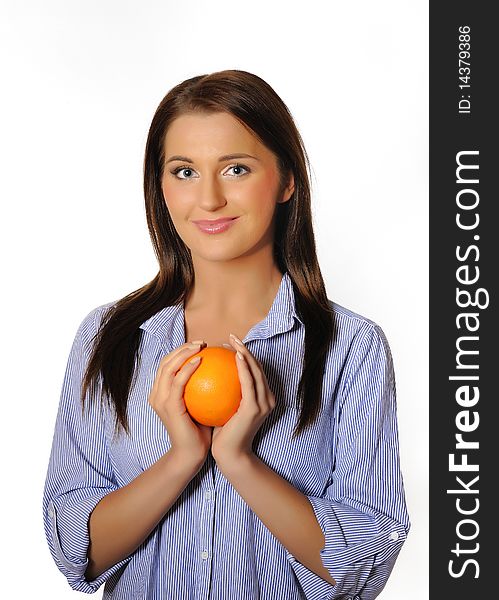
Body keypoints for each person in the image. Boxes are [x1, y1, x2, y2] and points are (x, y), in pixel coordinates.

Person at [42, 69, 410, 599]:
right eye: (184, 171)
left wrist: (239, 461)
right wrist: (182, 458)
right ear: (160, 186)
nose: (209, 199)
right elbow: (75, 550)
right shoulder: (110, 337)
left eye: (236, 168)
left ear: (287, 180)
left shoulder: (351, 347)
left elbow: (361, 567)